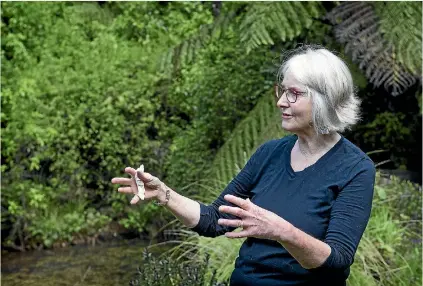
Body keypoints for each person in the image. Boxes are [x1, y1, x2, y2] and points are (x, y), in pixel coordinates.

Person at [111, 45, 376, 286]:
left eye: (294, 93)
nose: (281, 101)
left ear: (324, 100)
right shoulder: (270, 153)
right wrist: (164, 194)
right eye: (282, 90)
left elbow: (336, 262)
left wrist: (283, 232)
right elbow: (215, 221)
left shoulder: (355, 169)